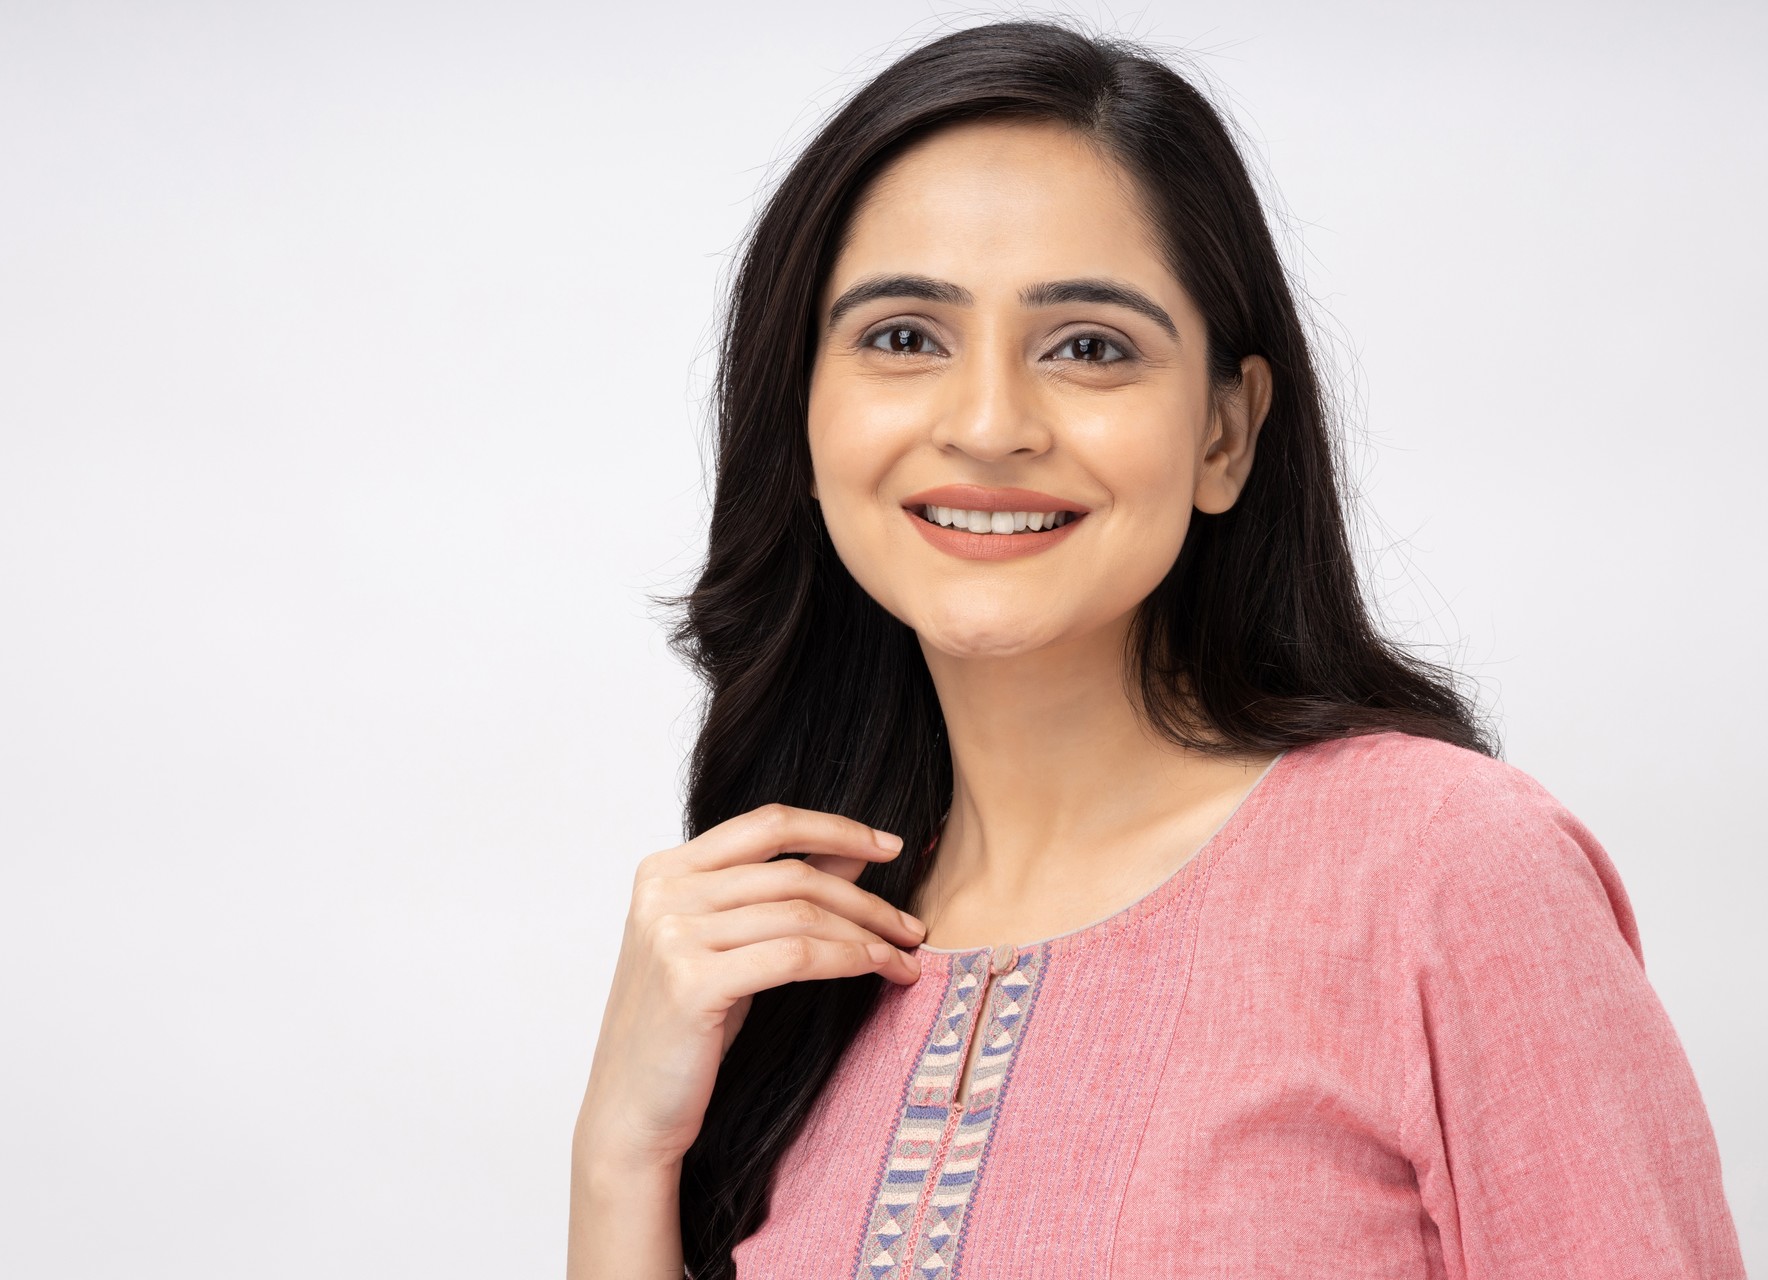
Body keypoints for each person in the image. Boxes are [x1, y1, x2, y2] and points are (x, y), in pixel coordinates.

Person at [568, 19, 1746, 1279]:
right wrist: (619, 1154)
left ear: (1226, 435)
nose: (987, 423)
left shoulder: (1449, 874)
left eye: (1089, 346)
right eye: (904, 335)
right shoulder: (786, 948)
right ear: (801, 412)